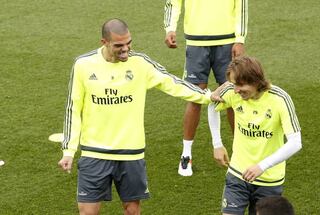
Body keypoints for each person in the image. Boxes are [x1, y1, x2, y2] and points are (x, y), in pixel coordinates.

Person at [58, 18, 222, 215]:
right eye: (119, 45)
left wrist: (206, 96)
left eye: (129, 43)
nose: (126, 49)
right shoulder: (83, 65)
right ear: (104, 42)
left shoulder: (140, 64)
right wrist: (69, 150)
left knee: (133, 211)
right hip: (94, 152)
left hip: (131, 152)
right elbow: (73, 108)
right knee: (87, 212)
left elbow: (172, 83)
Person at [207, 56, 302, 215]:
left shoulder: (280, 99)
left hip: (269, 179)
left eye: (240, 85)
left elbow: (295, 142)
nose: (236, 90)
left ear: (256, 81)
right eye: (233, 84)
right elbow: (212, 105)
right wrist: (217, 144)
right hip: (237, 173)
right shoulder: (233, 91)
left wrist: (262, 166)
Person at [164, 0, 248, 176]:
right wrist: (170, 28)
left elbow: (241, 5)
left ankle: (241, 153)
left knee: (233, 96)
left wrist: (240, 39)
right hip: (196, 43)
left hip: (228, 41)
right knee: (194, 97)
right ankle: (186, 154)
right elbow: (173, 2)